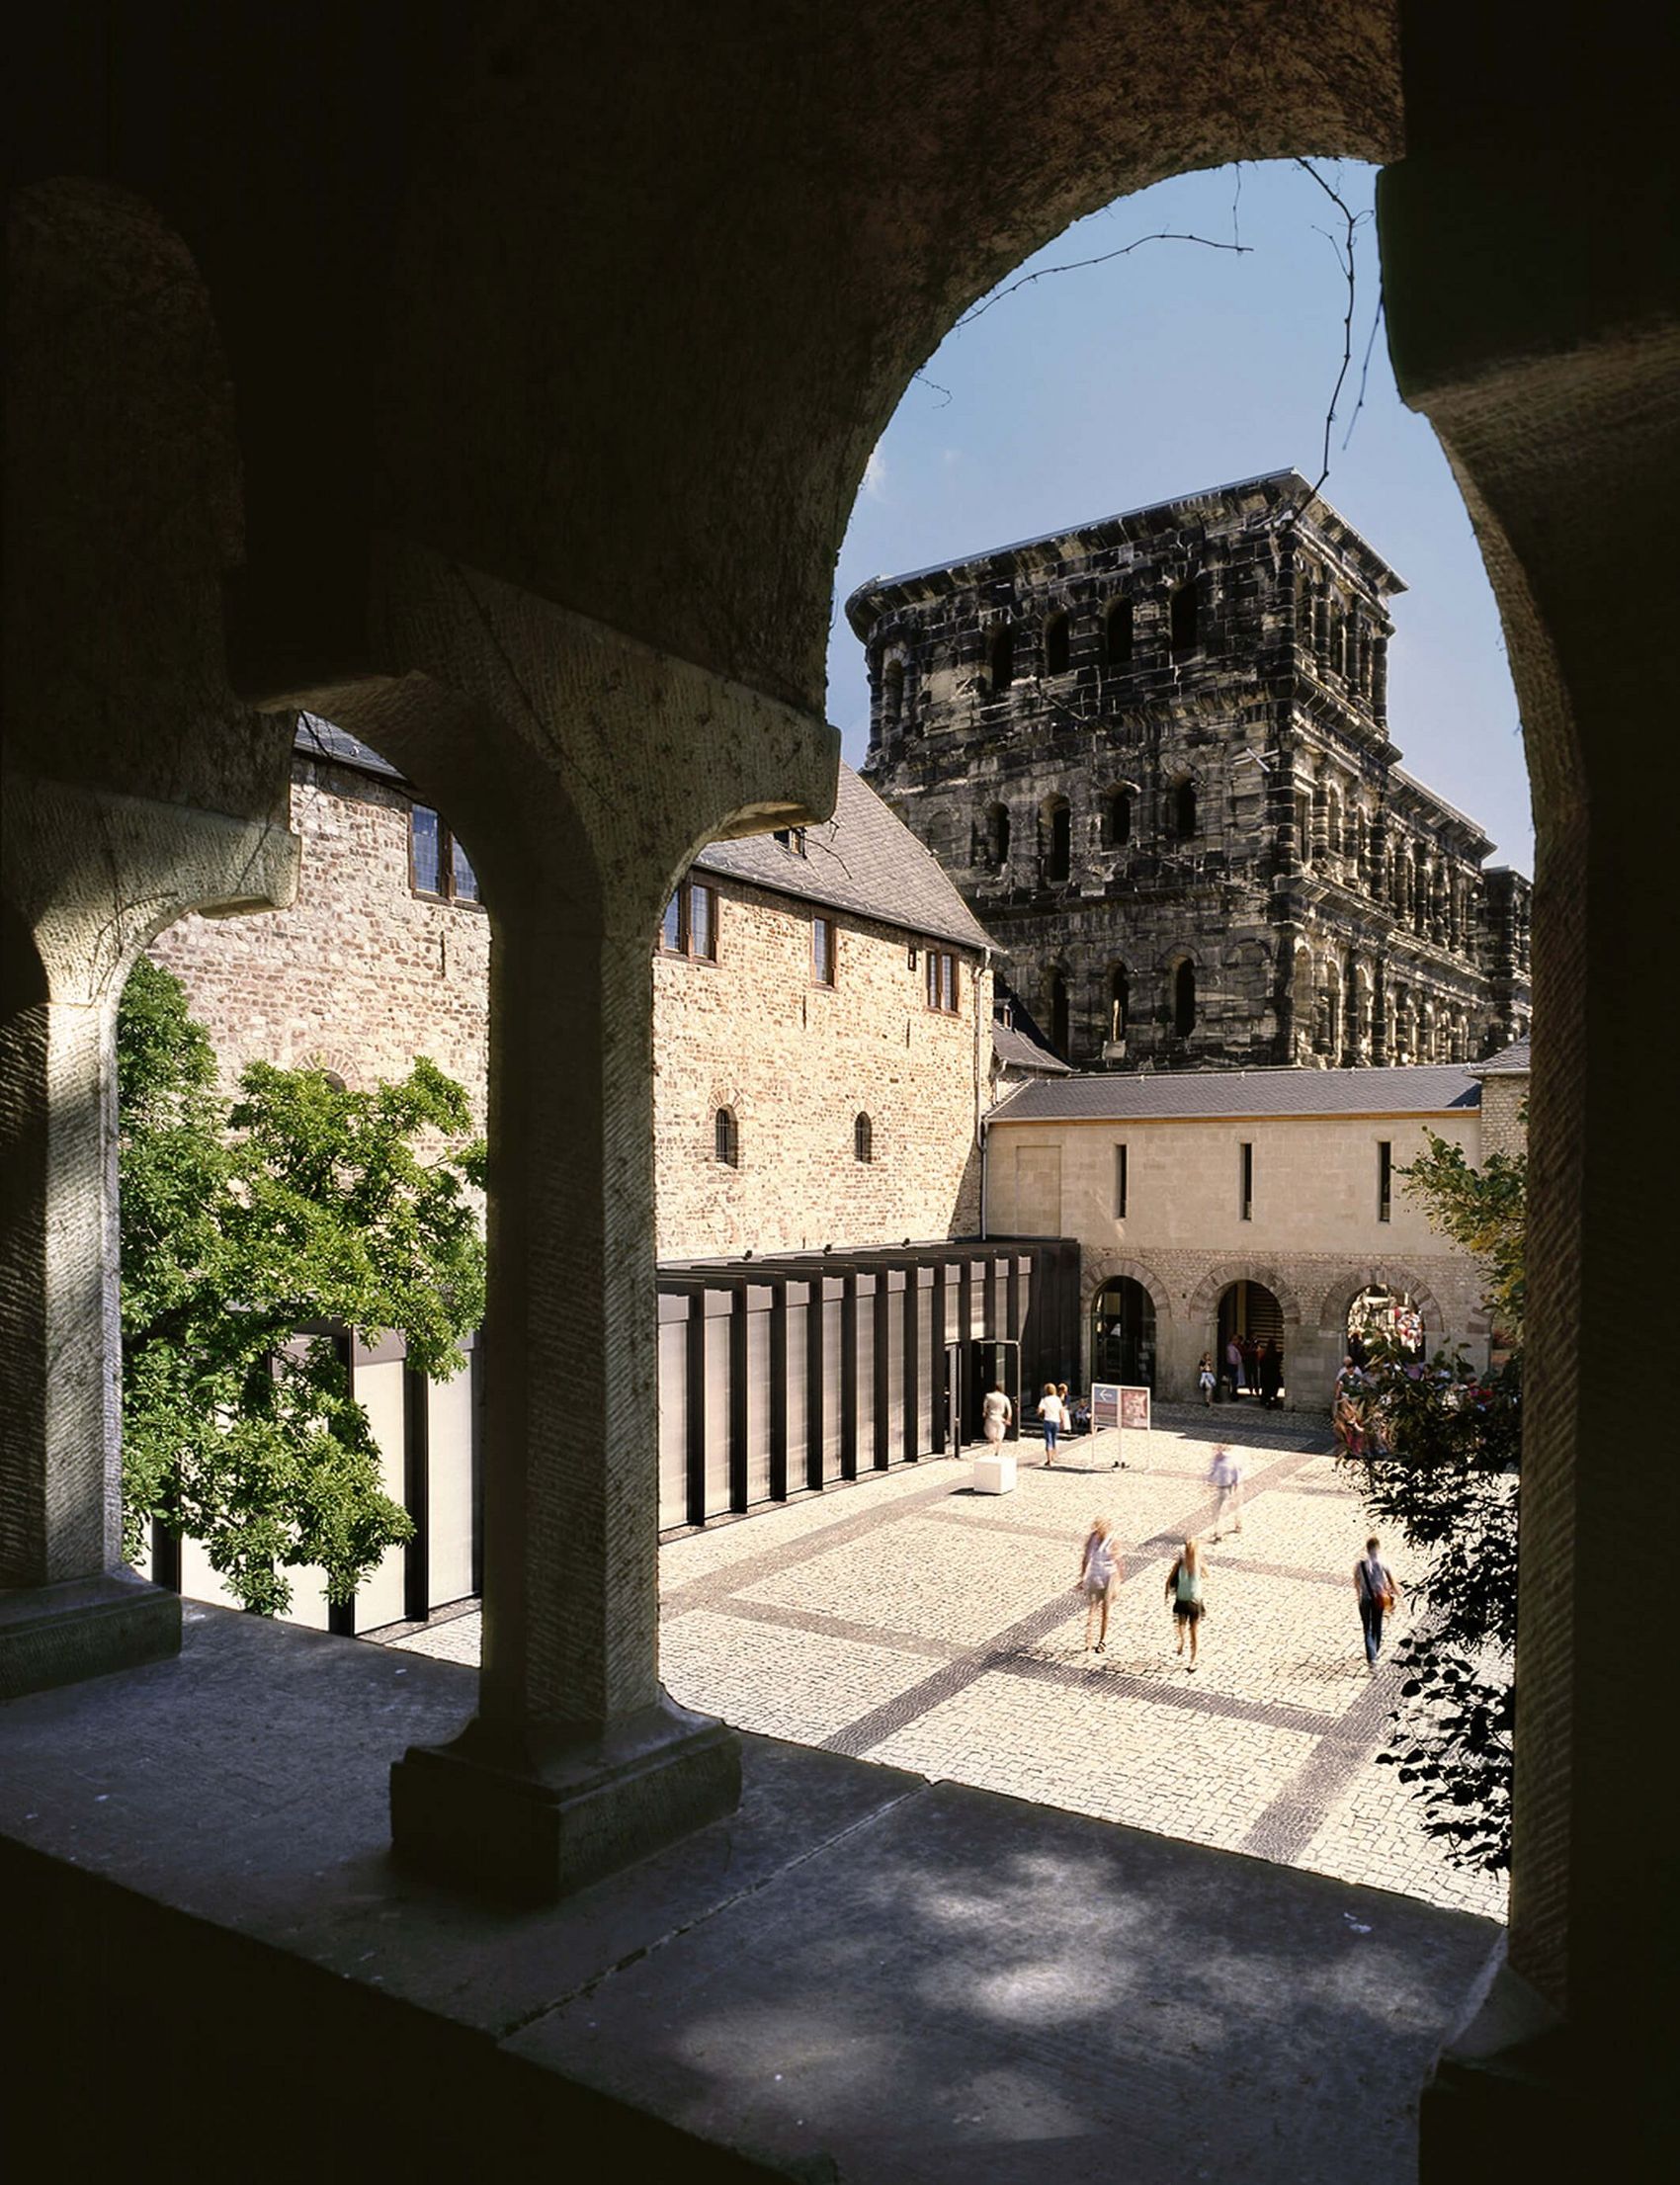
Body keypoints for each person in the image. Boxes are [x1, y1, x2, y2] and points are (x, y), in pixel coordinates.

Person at [1354, 1534, 1401, 1669]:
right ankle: (1374, 1653)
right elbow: (1392, 1582)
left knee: (1367, 1629)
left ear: (1367, 1549)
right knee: (1377, 1626)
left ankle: (1371, 1657)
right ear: (1378, 1548)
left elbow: (1356, 1582)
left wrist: (1359, 1595)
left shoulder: (1360, 1564)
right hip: (1378, 1598)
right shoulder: (1383, 1563)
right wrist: (1397, 1594)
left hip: (1365, 1599)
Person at [1075, 1514, 1121, 1652]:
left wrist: (1118, 1582)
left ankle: (1102, 1641)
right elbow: (1085, 1558)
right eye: (1097, 1528)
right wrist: (1082, 1577)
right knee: (1092, 1609)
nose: (1099, 1531)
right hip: (1094, 1577)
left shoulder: (1112, 1539)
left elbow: (1117, 1561)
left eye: (1101, 1528)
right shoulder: (1092, 1538)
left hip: (1109, 1577)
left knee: (1105, 1610)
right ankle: (1088, 1639)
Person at [1165, 1537, 1207, 1670]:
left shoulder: (1199, 1564)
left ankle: (1193, 1659)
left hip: (1194, 1602)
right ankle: (1182, 1642)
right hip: (1181, 1600)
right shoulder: (1180, 1562)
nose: (1188, 1552)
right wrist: (1166, 1592)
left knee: (1194, 1632)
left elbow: (1206, 1574)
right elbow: (1170, 1578)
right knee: (1180, 1626)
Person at [1208, 1445, 1242, 1539]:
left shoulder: (1226, 1460)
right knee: (1229, 1508)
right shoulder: (1218, 1460)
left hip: (1228, 1487)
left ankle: (1221, 1532)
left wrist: (1236, 1486)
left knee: (1222, 1510)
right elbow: (1212, 1472)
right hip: (1225, 1487)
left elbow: (1237, 1473)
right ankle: (1236, 1525)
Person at [1037, 1382, 1065, 1465]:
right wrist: (1062, 1421)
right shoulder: (1057, 1399)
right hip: (1056, 1421)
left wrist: (1041, 1414)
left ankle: (1049, 1460)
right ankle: (1053, 1457)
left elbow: (1039, 1410)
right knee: (1054, 1439)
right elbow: (1061, 1411)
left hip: (1048, 1420)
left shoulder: (1044, 1399)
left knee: (1048, 1440)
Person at [1257, 1338, 1283, 1409]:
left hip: (1265, 1376)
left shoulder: (1265, 1355)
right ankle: (1271, 1401)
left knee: (1266, 1389)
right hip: (1273, 1376)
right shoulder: (1274, 1355)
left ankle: (1265, 1400)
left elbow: (1261, 1364)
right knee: (1272, 1390)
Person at [1224, 1334, 1243, 1398]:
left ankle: (1234, 1393)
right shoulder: (1231, 1348)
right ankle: (1233, 1395)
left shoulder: (1234, 1347)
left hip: (1234, 1365)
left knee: (1235, 1380)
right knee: (1234, 1380)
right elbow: (1232, 1359)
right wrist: (1236, 1362)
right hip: (1232, 1366)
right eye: (1237, 1340)